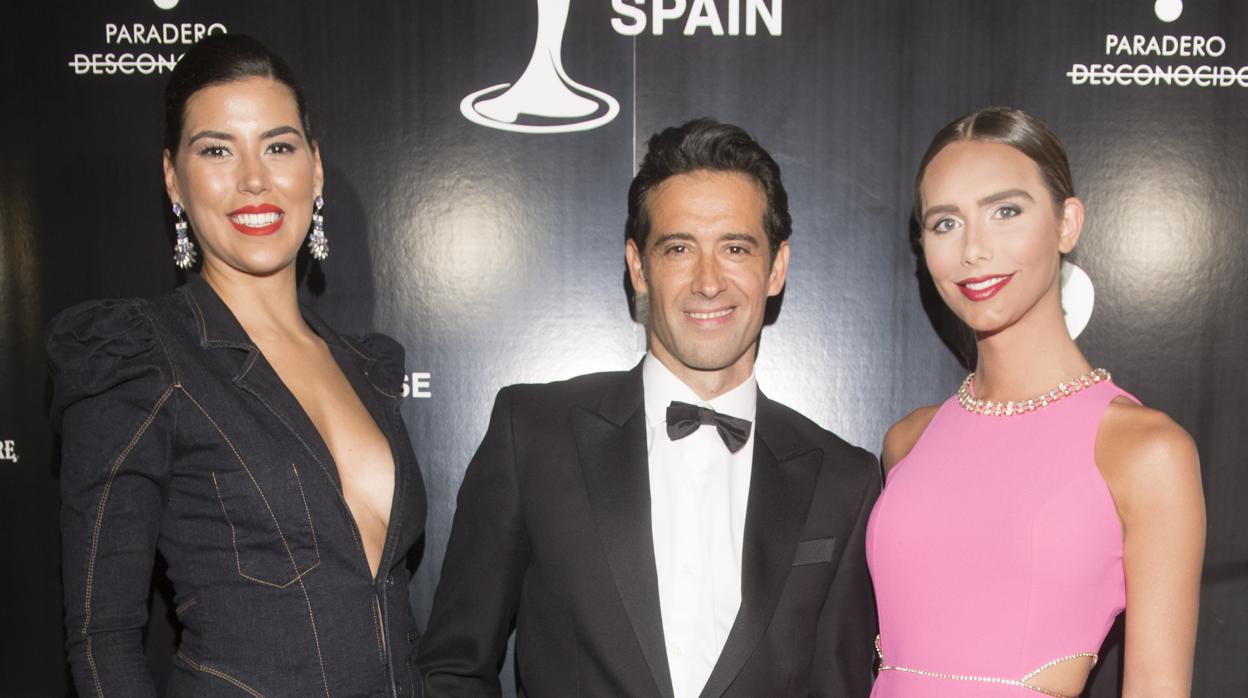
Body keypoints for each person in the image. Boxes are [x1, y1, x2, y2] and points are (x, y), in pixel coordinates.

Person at [417, 118, 880, 697]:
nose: (708, 281)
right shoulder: (533, 434)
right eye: (679, 248)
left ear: (776, 267)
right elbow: (452, 669)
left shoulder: (845, 480)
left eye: (735, 248)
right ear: (639, 266)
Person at [47, 35, 426, 697]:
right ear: (173, 177)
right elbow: (102, 637)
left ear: (315, 169)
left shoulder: (364, 367)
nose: (254, 178)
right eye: (217, 149)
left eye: (278, 146)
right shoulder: (139, 358)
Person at [869, 107, 1205, 697]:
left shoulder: (1145, 450)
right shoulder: (908, 442)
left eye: (1005, 211)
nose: (974, 250)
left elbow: (1157, 686)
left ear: (1066, 222)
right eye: (946, 223)